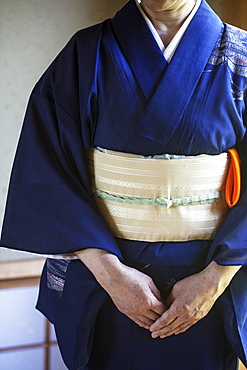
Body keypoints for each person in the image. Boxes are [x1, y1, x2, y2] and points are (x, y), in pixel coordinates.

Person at [1, 0, 247, 369]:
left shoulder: (242, 58)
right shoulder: (85, 52)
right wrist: (110, 274)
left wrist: (215, 278)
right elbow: (46, 169)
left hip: (209, 276)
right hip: (106, 273)